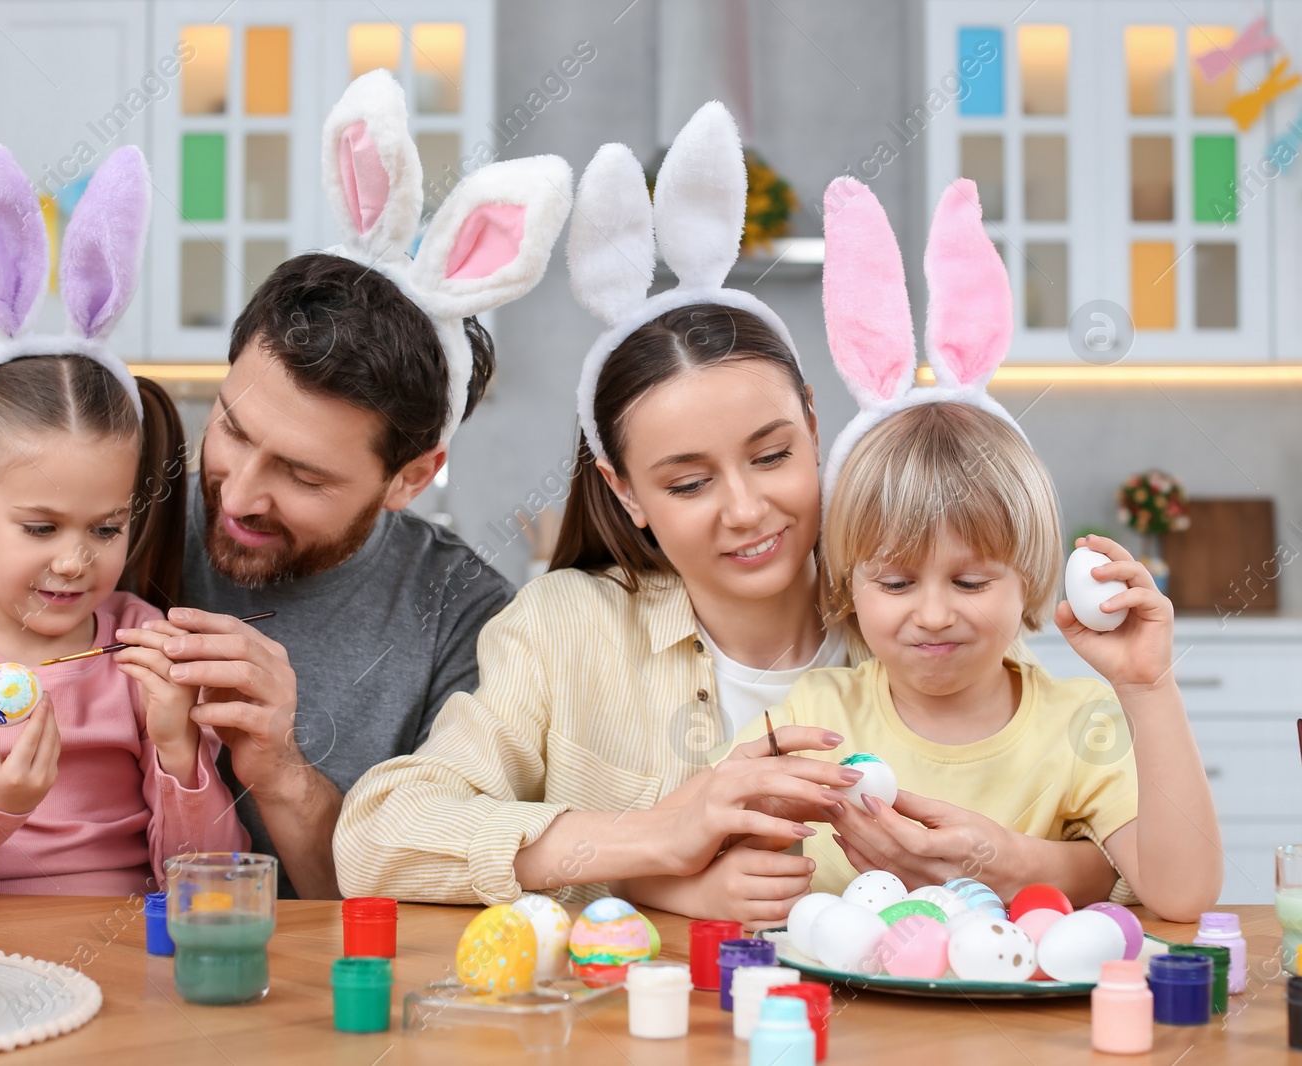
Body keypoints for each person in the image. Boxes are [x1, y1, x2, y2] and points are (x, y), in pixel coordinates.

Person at [334, 104, 1122, 926]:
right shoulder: (563, 632)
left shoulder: (921, 612)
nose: (747, 511)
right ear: (626, 490)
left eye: (773, 455)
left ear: (814, 425)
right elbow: (378, 838)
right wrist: (654, 846)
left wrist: (1005, 860)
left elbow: (1132, 863)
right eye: (687, 484)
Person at [0, 71, 574, 899]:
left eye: (301, 474)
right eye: (231, 427)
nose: (234, 496)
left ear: (410, 478)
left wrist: (280, 770)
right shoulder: (116, 510)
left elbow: (413, 907)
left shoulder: (461, 618)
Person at [719, 177, 1221, 922]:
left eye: (971, 580)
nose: (932, 614)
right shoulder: (815, 719)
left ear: (1027, 577)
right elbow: (730, 876)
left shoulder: (1076, 722)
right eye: (894, 582)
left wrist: (1149, 691)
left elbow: (1183, 897)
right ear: (847, 584)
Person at [0, 145, 242, 894]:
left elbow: (209, 885)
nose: (73, 561)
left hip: (129, 971)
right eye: (40, 527)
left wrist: (178, 747)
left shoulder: (142, 650)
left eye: (105, 528)